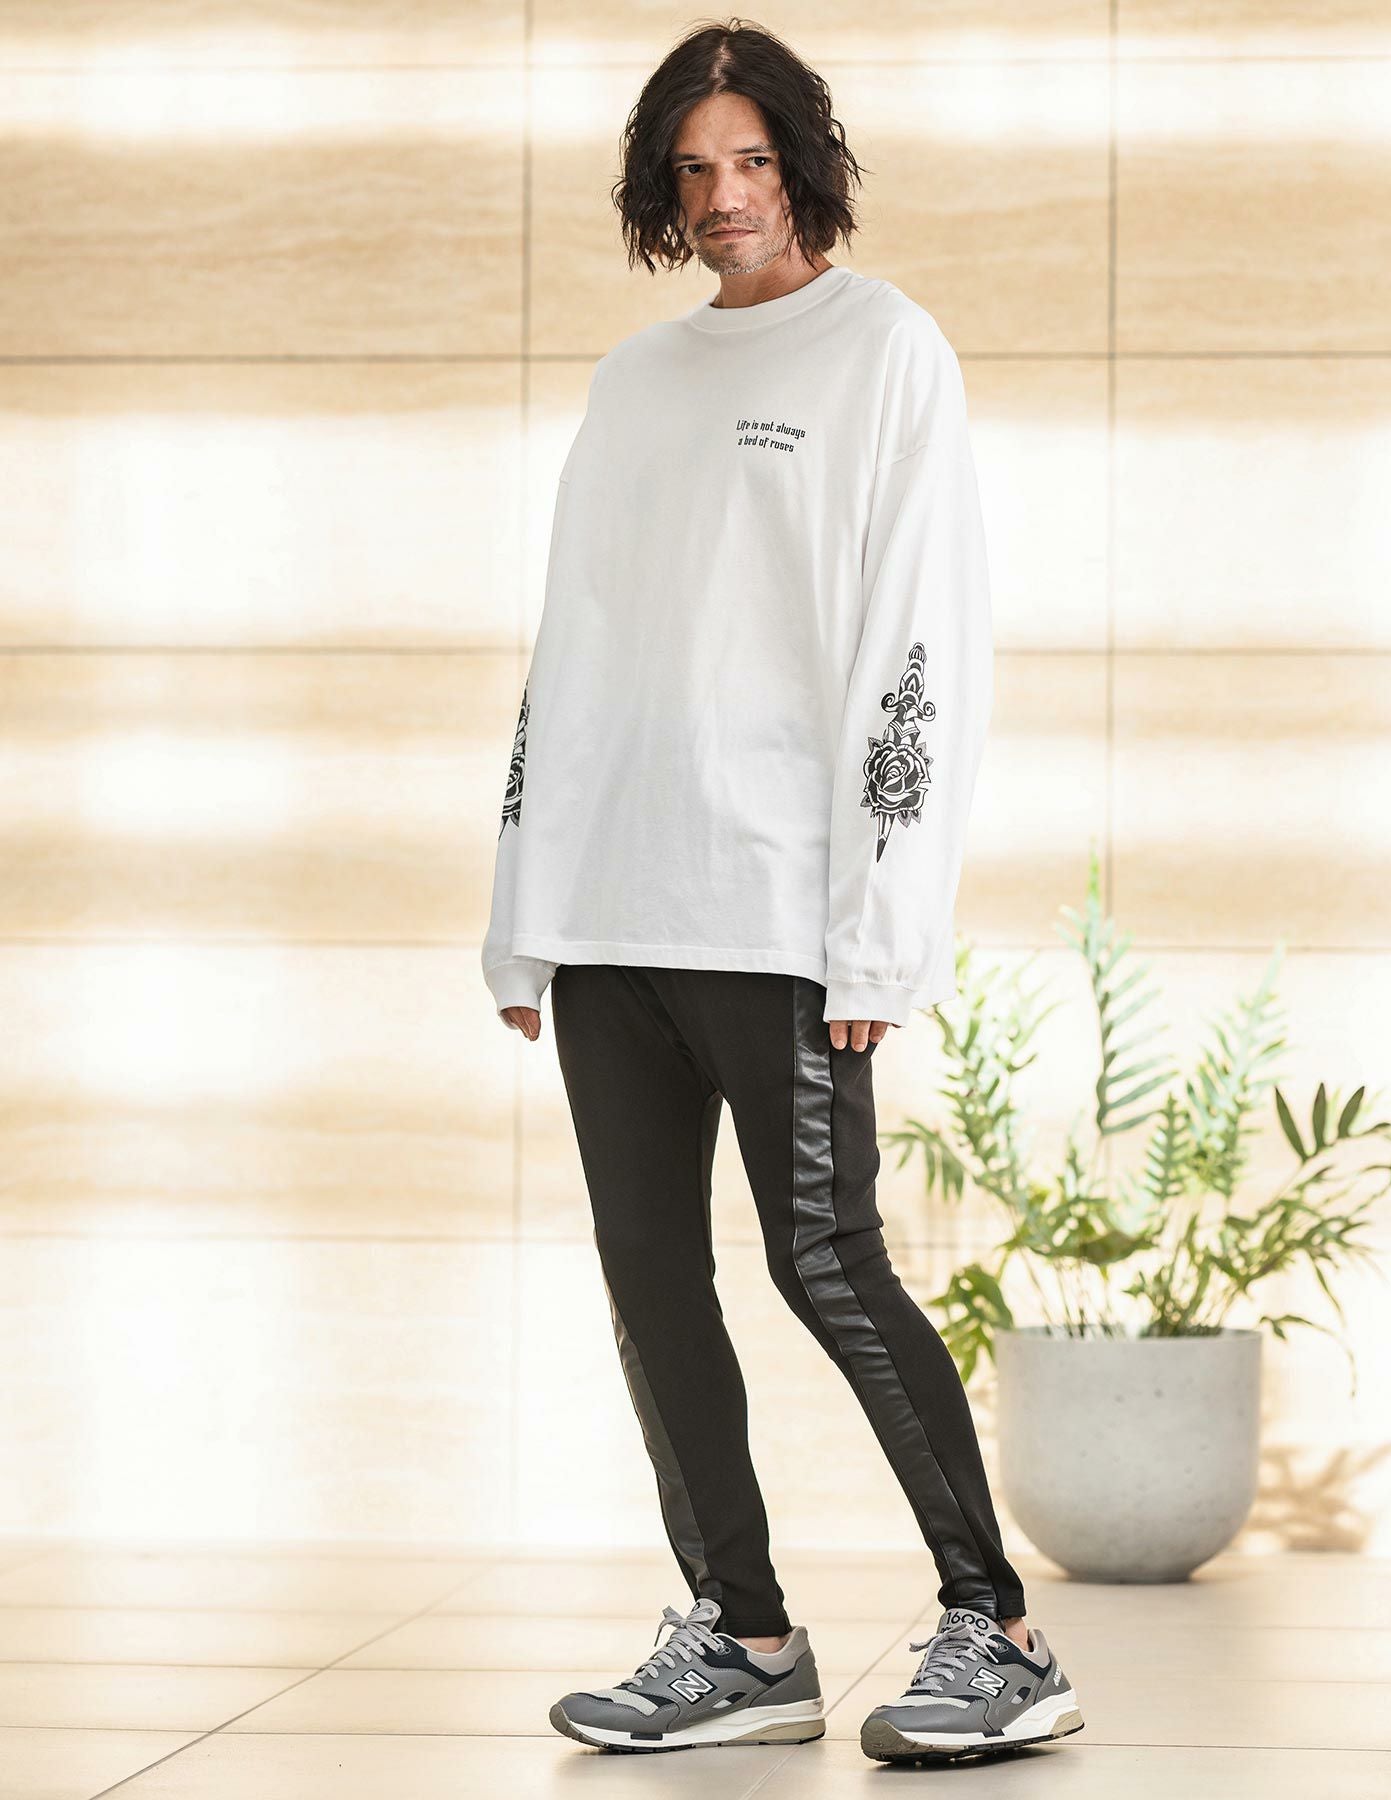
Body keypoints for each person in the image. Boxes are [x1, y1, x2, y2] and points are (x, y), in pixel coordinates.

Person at [481, 18, 1083, 1765]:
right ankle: (745, 1638)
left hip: (778, 913)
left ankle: (1001, 1630)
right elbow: (570, 650)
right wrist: (524, 909)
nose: (724, 195)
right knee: (650, 1275)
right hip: (613, 912)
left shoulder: (885, 350)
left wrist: (880, 929)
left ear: (804, 166)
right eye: (692, 168)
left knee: (826, 1261)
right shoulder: (636, 381)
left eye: (750, 160)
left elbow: (920, 650)